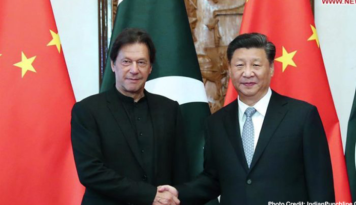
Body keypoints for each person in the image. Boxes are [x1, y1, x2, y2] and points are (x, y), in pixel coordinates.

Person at [159, 33, 335, 205]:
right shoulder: (216, 123)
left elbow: (319, 183)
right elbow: (213, 180)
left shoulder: (302, 116)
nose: (248, 73)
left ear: (272, 68)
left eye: (256, 65)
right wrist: (178, 193)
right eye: (240, 65)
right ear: (229, 69)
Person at [71, 28, 186, 205]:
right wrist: (149, 195)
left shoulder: (169, 109)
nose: (134, 70)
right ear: (113, 65)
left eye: (141, 62)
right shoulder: (87, 110)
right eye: (126, 62)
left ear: (150, 67)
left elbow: (180, 170)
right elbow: (90, 172)